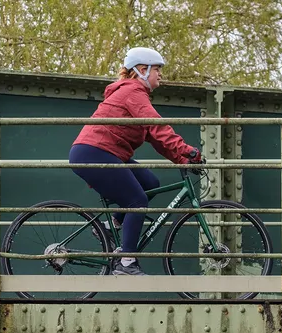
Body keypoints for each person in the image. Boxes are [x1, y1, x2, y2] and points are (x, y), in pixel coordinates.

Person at [68, 47, 203, 276]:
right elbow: (158, 126)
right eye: (157, 69)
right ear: (142, 70)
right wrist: (188, 150)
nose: (160, 75)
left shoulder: (133, 94)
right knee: (137, 199)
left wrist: (183, 159)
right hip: (93, 152)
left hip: (105, 152)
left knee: (150, 183)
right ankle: (126, 263)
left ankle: (114, 227)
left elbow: (157, 138)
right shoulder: (133, 92)